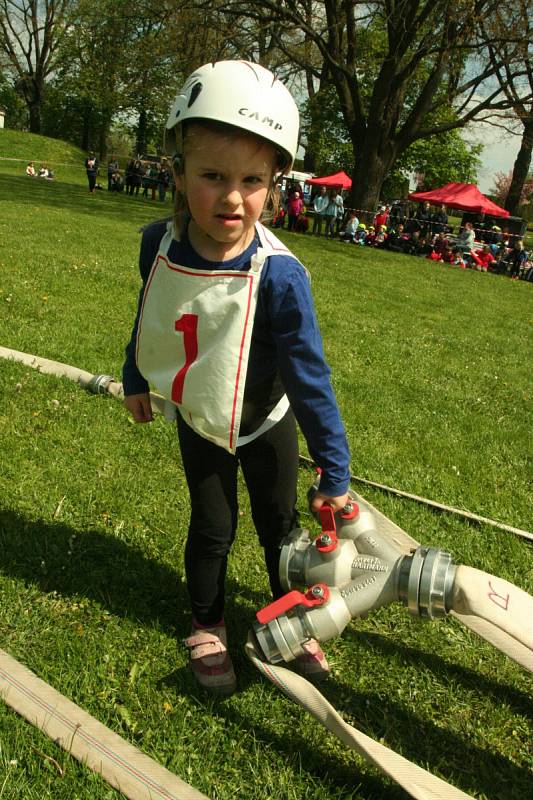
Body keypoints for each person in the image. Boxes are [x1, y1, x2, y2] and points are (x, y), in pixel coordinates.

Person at [121, 60, 351, 697]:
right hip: (201, 419)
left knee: (279, 530)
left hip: (265, 423)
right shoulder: (157, 244)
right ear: (177, 173)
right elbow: (155, 315)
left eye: (252, 180)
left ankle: (292, 618)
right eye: (212, 176)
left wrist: (334, 468)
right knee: (212, 526)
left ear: (275, 185)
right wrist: (134, 373)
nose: (232, 197)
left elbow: (310, 378)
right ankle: (208, 622)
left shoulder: (280, 276)